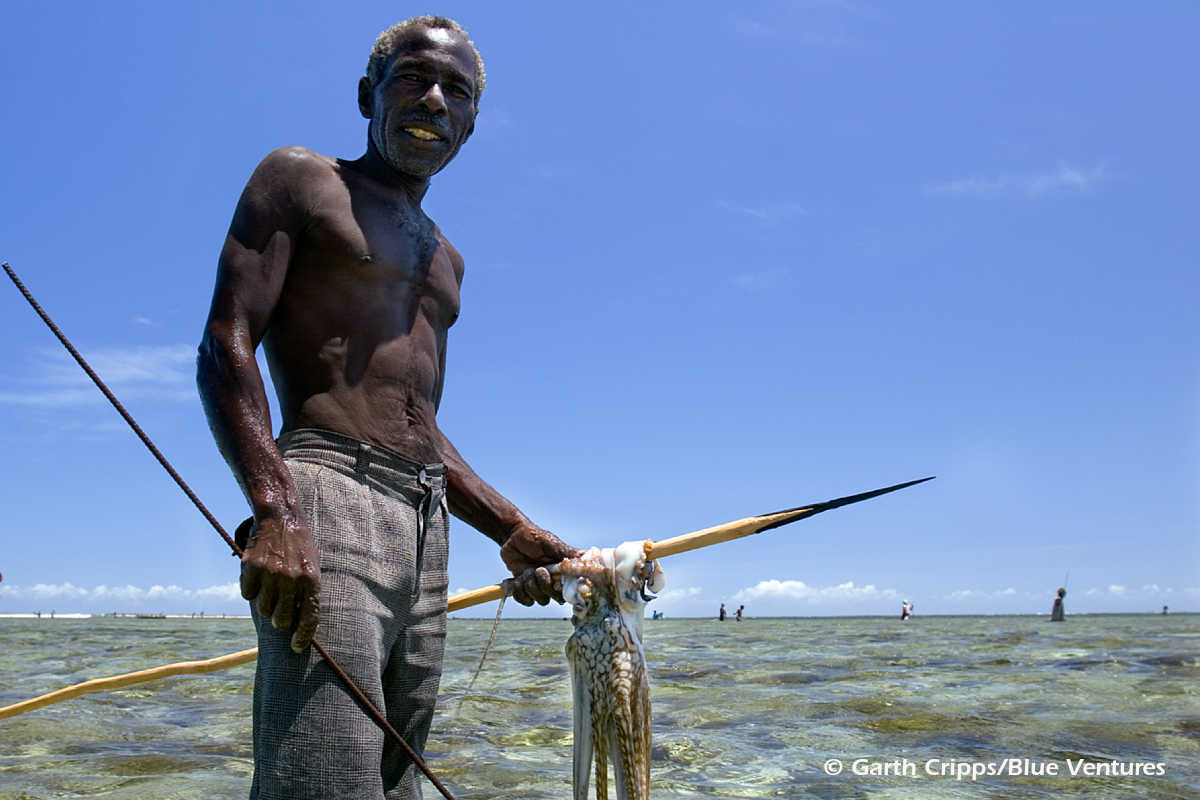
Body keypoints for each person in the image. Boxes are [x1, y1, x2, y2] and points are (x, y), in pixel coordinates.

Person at [196, 16, 581, 800]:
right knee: (323, 776)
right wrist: (276, 508)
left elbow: (417, 422)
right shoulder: (302, 179)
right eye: (413, 78)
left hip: (426, 528)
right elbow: (224, 340)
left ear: (471, 126)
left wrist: (508, 527)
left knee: (396, 783)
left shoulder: (448, 259)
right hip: (324, 498)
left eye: (457, 93)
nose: (434, 100)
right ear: (368, 94)